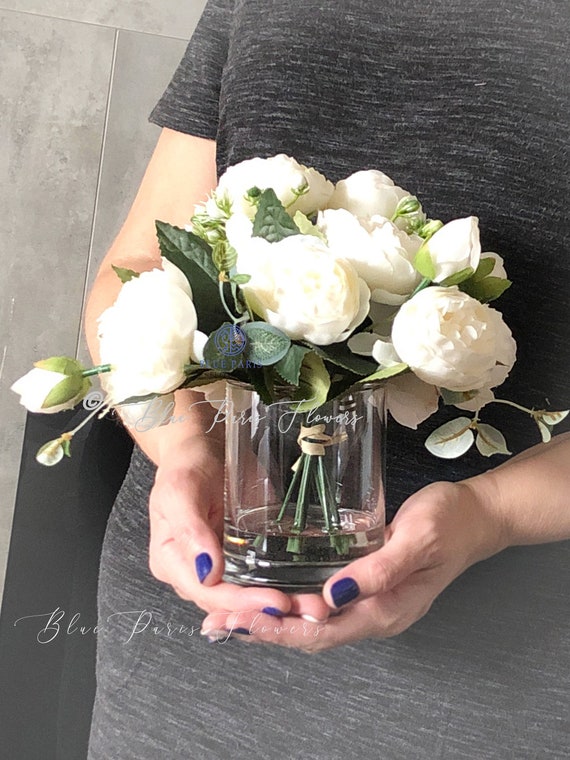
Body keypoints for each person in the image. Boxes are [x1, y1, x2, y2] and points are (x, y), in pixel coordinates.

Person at [85, 1, 570, 757]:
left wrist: (490, 515)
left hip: (491, 664)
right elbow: (147, 261)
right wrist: (186, 453)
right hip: (198, 609)